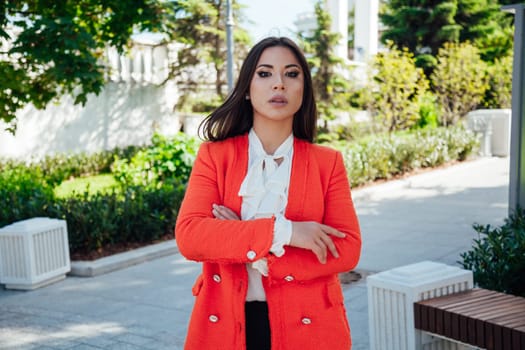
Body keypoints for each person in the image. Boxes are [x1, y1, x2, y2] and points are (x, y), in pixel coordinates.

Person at [175, 36, 361, 350]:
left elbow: (348, 248)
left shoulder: (327, 163)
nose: (279, 84)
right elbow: (191, 236)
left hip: (311, 325)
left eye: (291, 74)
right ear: (247, 88)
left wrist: (240, 237)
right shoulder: (214, 156)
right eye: (265, 74)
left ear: (303, 89)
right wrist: (285, 232)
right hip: (225, 322)